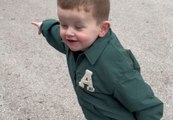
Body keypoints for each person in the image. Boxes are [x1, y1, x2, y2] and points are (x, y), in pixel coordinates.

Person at [32, 0, 163, 119]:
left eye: (78, 27)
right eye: (64, 25)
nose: (68, 33)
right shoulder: (77, 42)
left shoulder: (115, 66)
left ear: (102, 28)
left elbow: (148, 107)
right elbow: (58, 36)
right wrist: (45, 27)